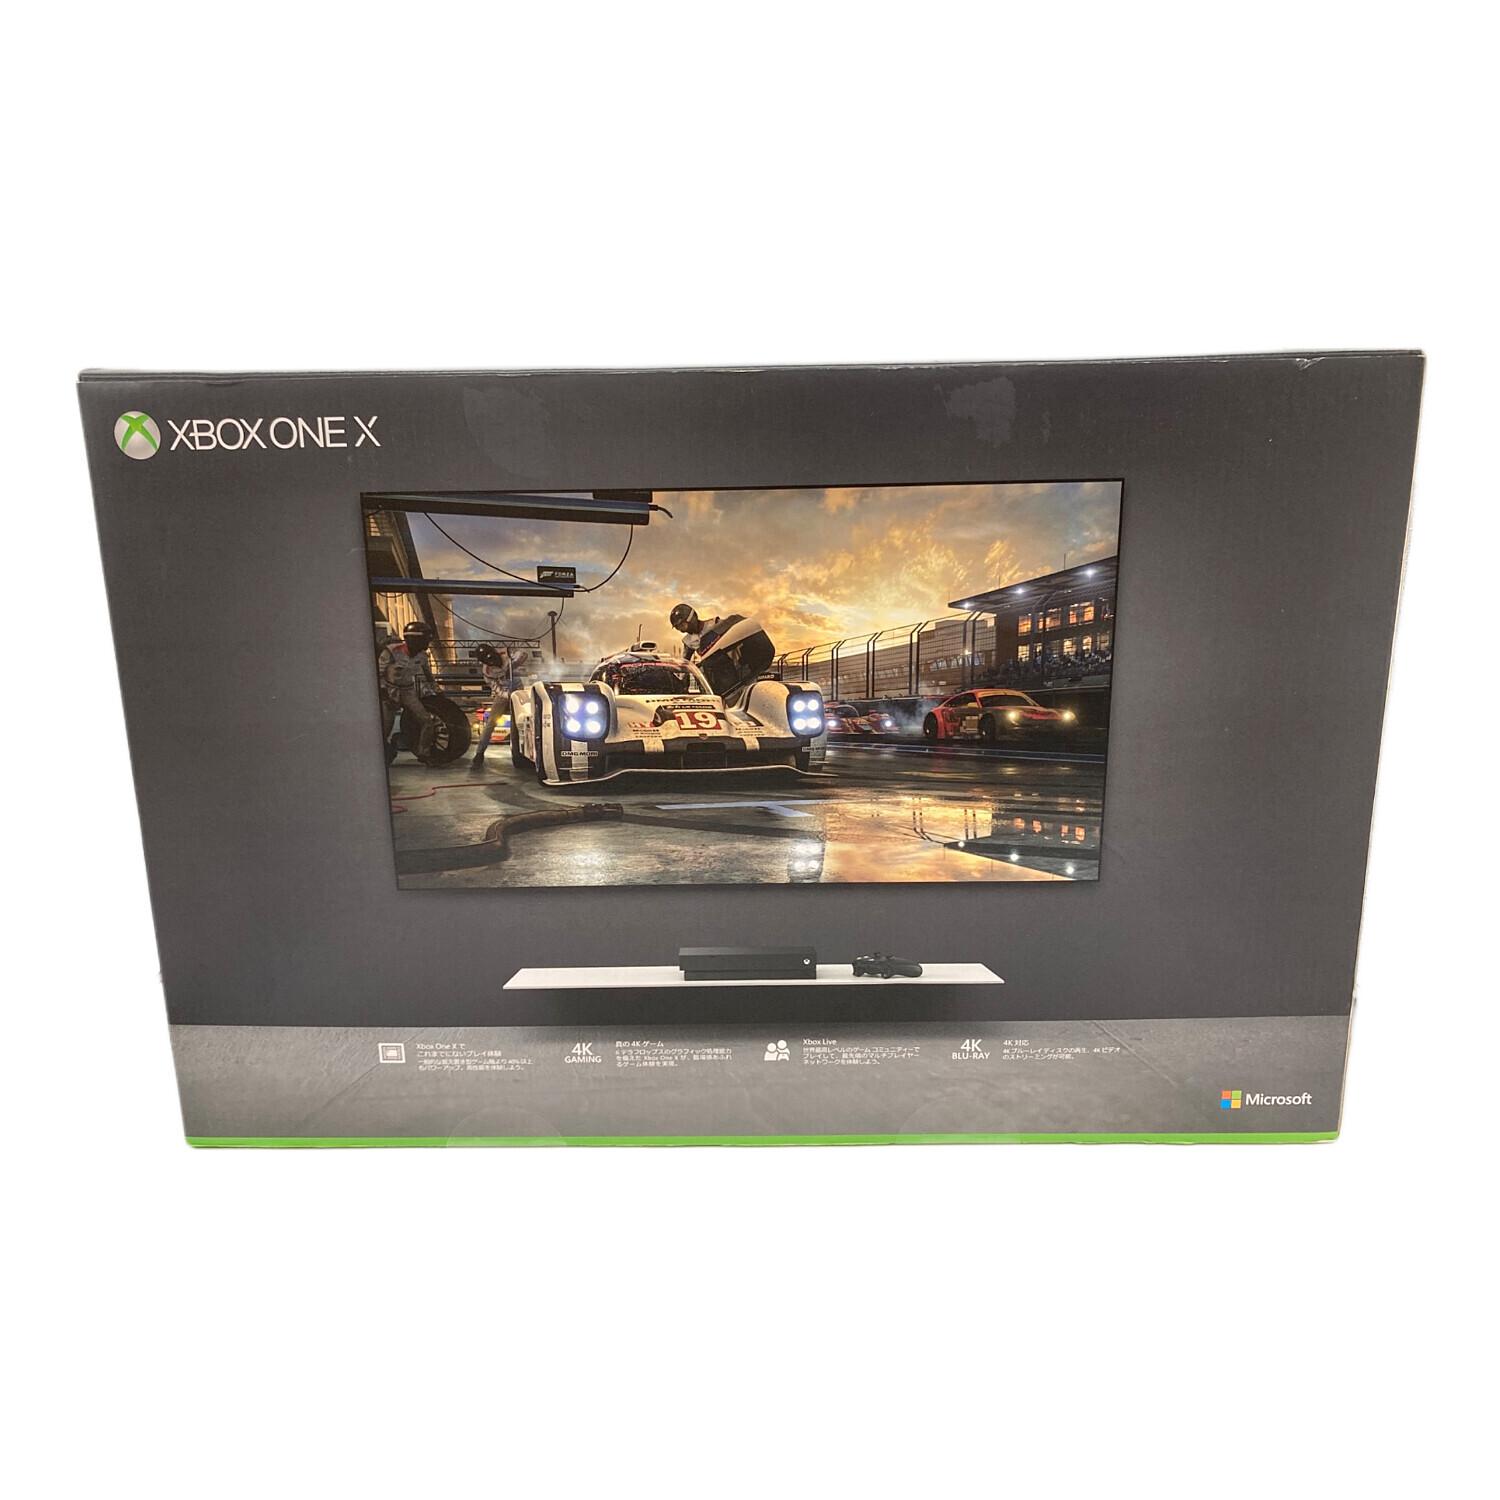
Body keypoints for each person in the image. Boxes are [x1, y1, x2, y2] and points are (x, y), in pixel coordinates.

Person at [378, 621, 438, 761]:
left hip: (407, 690)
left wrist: (437, 690)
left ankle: (423, 752)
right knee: (385, 728)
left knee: (427, 721)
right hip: (389, 690)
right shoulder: (391, 651)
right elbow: (378, 673)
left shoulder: (422, 656)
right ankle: (385, 753)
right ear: (415, 639)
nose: (427, 643)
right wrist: (385, 695)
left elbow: (428, 675)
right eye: (425, 640)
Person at [470, 641, 514, 767]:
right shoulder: (487, 672)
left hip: (520, 689)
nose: (493, 662)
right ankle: (479, 753)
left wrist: (513, 663)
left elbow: (523, 655)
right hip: (504, 694)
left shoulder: (506, 653)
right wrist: (508, 695)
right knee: (491, 723)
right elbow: (496, 688)